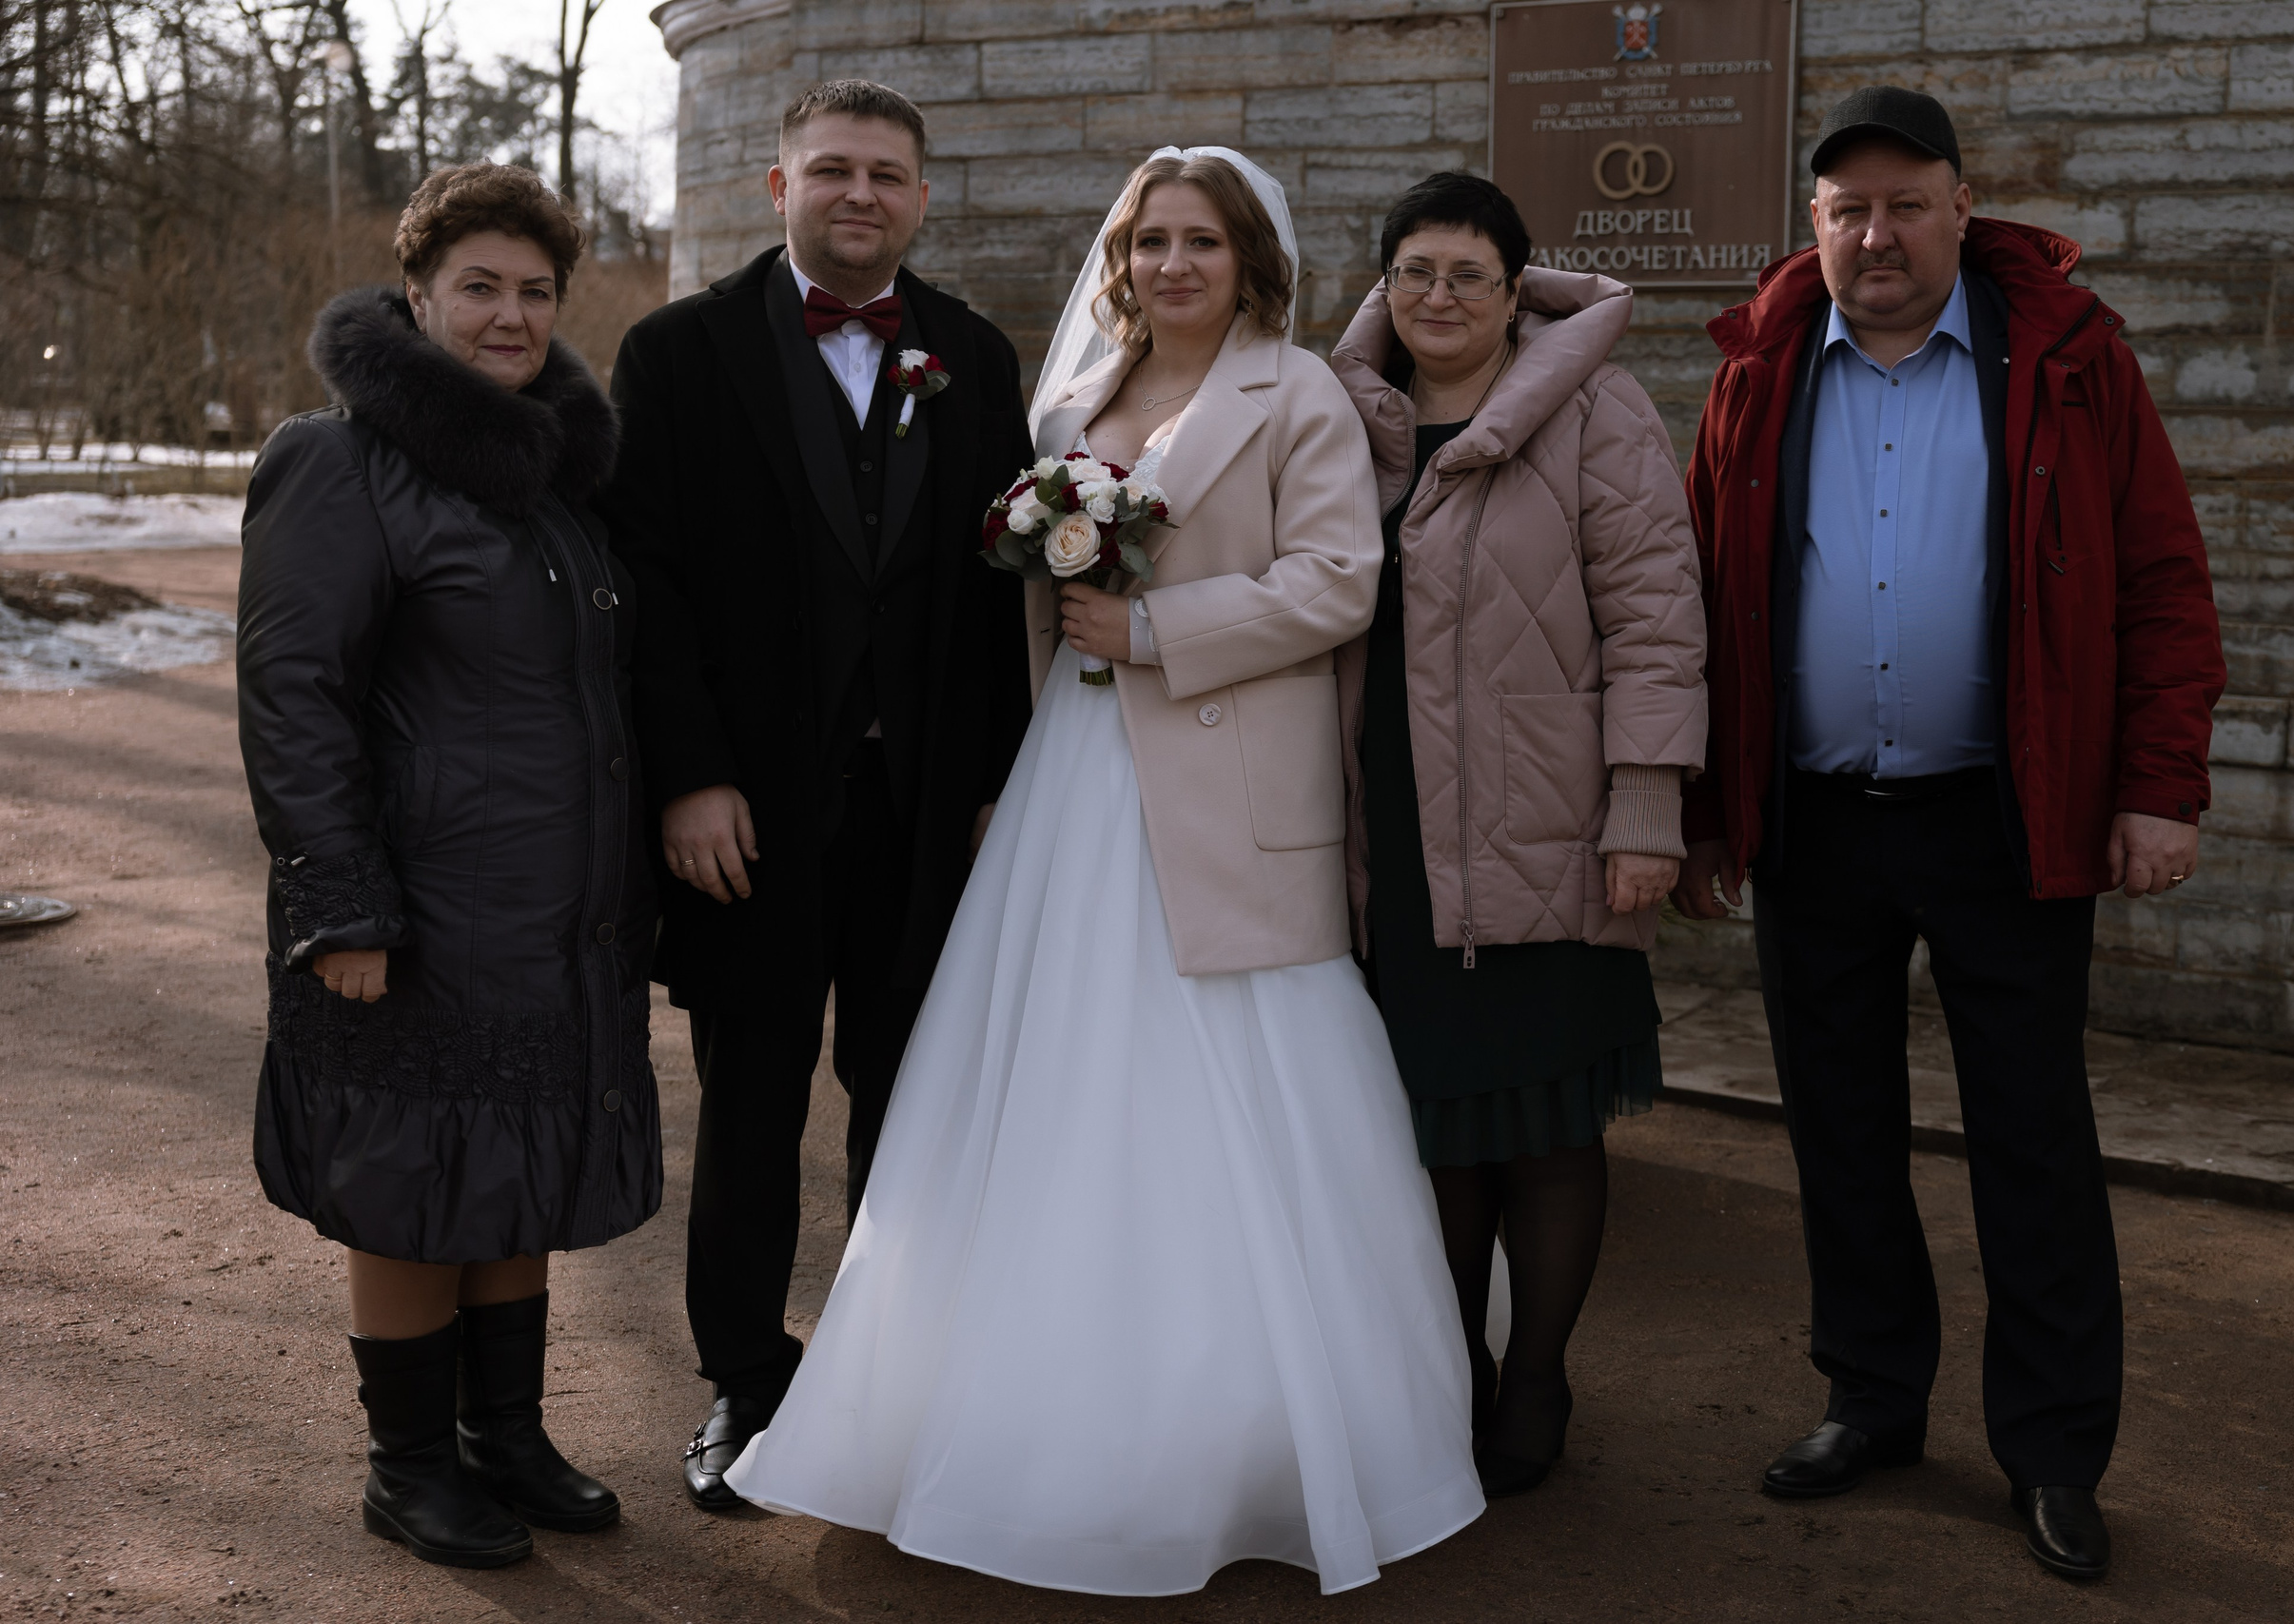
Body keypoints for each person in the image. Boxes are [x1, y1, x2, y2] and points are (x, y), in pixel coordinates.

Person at [720, 147, 1484, 1595]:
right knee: (1051, 1077)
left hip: (1226, 795)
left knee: (1238, 1096)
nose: (1172, 267)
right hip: (1073, 780)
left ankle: (1254, 1435)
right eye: (1151, 244)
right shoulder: (1065, 404)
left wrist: (1160, 631)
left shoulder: (1297, 392)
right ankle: (1020, 1408)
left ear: (1249, 260)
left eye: (1201, 243)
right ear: (1121, 262)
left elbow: (1340, 583)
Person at [1673, 87, 2225, 1581]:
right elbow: (1710, 601)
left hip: (2008, 815)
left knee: (2030, 1141)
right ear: (1815, 226)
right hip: (1818, 823)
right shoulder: (1761, 372)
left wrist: (2158, 786)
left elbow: (2163, 581)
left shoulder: (2070, 364)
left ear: (1964, 208)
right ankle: (1873, 1399)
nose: (1878, 233)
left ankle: (2052, 1452)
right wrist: (1715, 809)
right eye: (1848, 209)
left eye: (1907, 203)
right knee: (1840, 1131)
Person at [595, 81, 1033, 1511]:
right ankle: (743, 1377)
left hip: (924, 814)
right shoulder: (675, 352)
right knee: (751, 1100)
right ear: (775, 187)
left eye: (887, 175)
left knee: (911, 1101)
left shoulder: (971, 352)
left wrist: (994, 785)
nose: (861, 194)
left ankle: (891, 1375)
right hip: (750, 811)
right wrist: (693, 776)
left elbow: (998, 590)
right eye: (832, 170)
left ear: (921, 196)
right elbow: (644, 579)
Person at [237, 163, 656, 1569]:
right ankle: (406, 1464)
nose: (510, 315)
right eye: (479, 285)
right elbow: (293, 694)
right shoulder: (337, 459)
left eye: (536, 291)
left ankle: (504, 1434)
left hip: (552, 909)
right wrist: (339, 902)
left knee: (512, 1157)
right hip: (412, 907)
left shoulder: (548, 480)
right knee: (413, 1175)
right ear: (415, 294)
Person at [1329, 173, 1705, 1496]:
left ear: (1515, 289)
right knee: (1432, 1133)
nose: (1439, 298)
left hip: (1550, 824)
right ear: (1385, 288)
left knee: (1546, 1134)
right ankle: (1459, 1372)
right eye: (1415, 273)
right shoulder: (1344, 419)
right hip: (1392, 832)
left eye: (1468, 275)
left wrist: (1647, 809)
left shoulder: (1597, 411)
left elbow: (1660, 624)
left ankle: (1537, 1372)